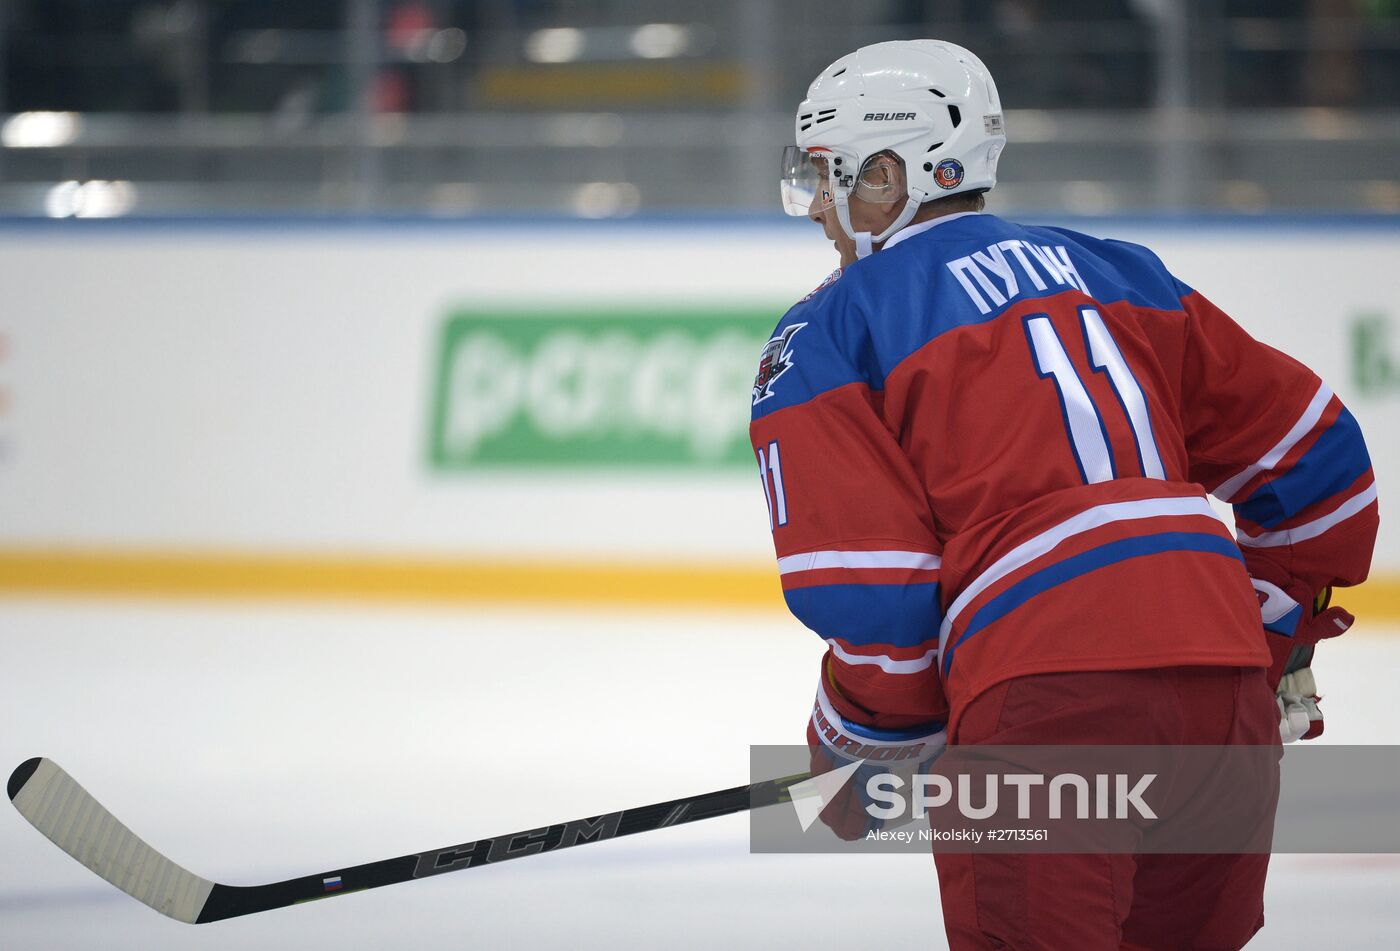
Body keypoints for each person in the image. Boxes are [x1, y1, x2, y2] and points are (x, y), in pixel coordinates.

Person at [750, 39, 1378, 950]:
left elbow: (877, 593)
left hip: (1043, 700)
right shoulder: (1125, 272)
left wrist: (854, 753)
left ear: (891, 174)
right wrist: (1271, 633)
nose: (816, 209)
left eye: (828, 174)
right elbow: (1324, 467)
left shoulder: (829, 328)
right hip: (1223, 705)